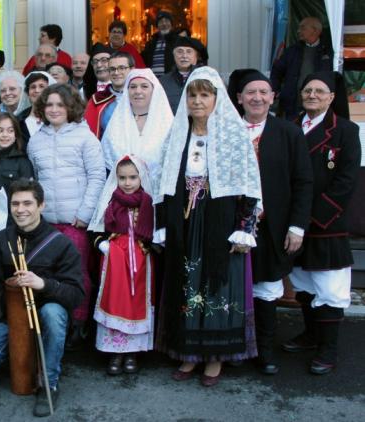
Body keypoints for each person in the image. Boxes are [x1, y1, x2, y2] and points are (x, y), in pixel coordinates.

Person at [153, 66, 262, 387]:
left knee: (217, 287)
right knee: (186, 284)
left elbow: (249, 185)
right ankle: (188, 352)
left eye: (205, 95)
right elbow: (162, 183)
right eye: (192, 94)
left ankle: (214, 358)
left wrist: (245, 226)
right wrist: (162, 223)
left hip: (220, 221)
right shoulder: (176, 136)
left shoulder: (232, 136)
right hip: (185, 221)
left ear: (217, 98)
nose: (197, 101)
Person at [0, 179, 84, 417]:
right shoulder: (2, 240)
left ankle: (49, 382)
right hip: (13, 318)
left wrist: (43, 284)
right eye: (15, 204)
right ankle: (29, 357)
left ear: (41, 206)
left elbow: (76, 295)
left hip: (47, 317)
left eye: (27, 203)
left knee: (52, 313)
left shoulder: (62, 244)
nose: (20, 209)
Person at [227, 69, 313, 375]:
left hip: (272, 227)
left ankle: (264, 351)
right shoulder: (226, 130)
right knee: (234, 288)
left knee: (265, 290)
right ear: (239, 98)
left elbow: (303, 181)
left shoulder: (288, 132)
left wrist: (296, 226)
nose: (257, 97)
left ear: (273, 97)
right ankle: (233, 349)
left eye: (264, 92)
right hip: (231, 227)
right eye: (251, 92)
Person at [283, 71, 361, 375]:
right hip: (292, 223)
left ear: (331, 97)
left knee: (329, 289)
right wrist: (291, 221)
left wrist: (311, 219)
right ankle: (311, 335)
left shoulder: (346, 131)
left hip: (326, 224)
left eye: (319, 91)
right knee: (302, 284)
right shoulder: (288, 128)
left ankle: (328, 349)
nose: (312, 95)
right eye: (307, 90)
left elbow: (345, 181)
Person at [27, 83, 106, 349]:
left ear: (70, 107)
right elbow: (35, 180)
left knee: (78, 273)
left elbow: (97, 176)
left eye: (60, 104)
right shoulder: (36, 139)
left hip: (75, 221)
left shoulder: (85, 138)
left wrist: (84, 213)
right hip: (46, 222)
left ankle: (79, 325)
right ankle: (54, 326)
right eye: (49, 104)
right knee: (49, 273)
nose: (54, 109)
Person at [92, 156, 154, 375]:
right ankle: (115, 352)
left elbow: (154, 232)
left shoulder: (148, 201)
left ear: (141, 177)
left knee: (136, 303)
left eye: (133, 177)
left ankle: (132, 353)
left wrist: (150, 245)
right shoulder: (110, 201)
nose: (127, 183)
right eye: (122, 178)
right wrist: (102, 244)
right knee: (115, 300)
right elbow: (98, 229)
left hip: (140, 258)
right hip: (114, 260)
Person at [89, 69, 173, 231]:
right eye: (133, 87)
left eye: (144, 86)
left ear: (154, 90)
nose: (138, 91)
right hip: (121, 204)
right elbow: (107, 165)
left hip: (158, 203)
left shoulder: (167, 122)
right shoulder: (117, 122)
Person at [270, 17, 333, 120]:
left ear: (315, 30)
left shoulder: (328, 52)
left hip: (318, 104)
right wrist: (275, 92)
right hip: (292, 104)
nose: (299, 31)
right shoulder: (292, 51)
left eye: (303, 28)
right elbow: (276, 71)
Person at [84, 51, 134, 138]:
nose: (116, 73)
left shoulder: (141, 97)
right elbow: (89, 134)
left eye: (122, 68)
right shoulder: (97, 99)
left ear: (132, 69)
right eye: (112, 69)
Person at [159, 37, 207, 113]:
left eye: (189, 52)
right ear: (174, 56)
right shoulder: (162, 82)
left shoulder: (206, 79)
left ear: (196, 57)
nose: (184, 56)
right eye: (180, 51)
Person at [18, 71, 57, 144]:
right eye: (33, 87)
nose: (37, 90)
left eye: (41, 86)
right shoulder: (18, 120)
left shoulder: (58, 118)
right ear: (27, 92)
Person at [141, 10, 178, 77]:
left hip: (171, 79)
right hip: (153, 79)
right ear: (157, 25)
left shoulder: (178, 40)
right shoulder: (151, 43)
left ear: (171, 24)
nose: (164, 24)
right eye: (161, 22)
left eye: (166, 21)